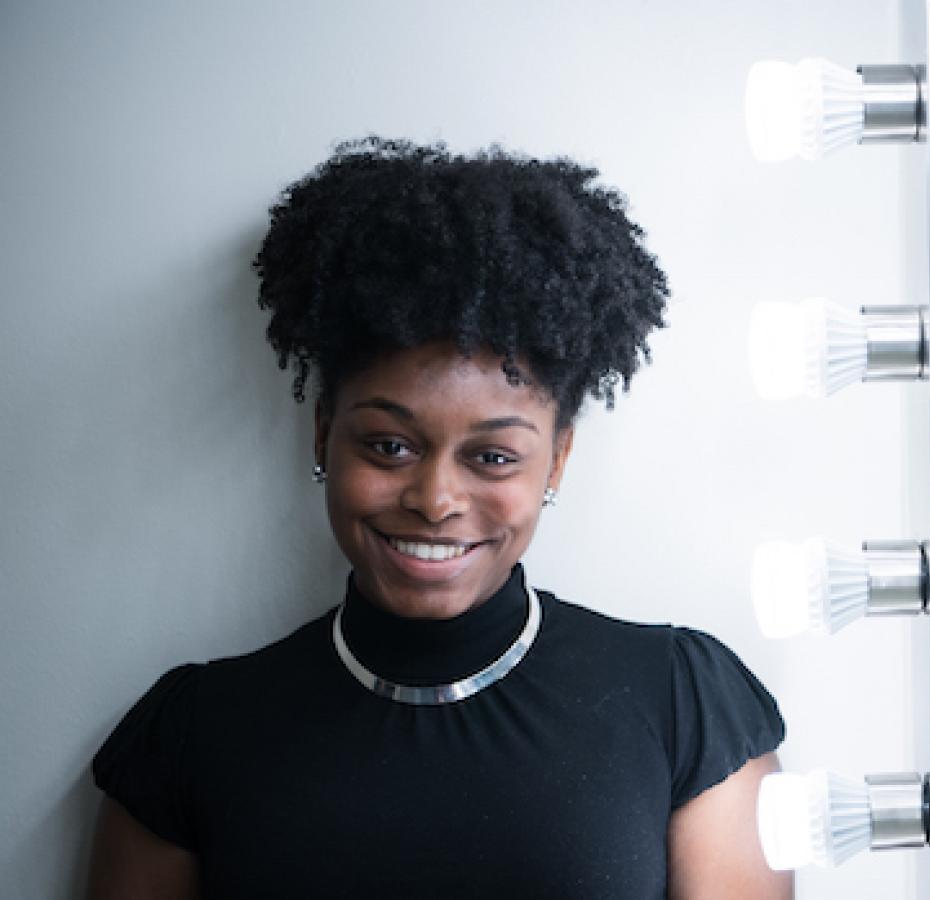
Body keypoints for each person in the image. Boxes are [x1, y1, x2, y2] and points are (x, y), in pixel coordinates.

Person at [87, 137, 792, 899]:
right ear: (323, 432)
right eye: (390, 445)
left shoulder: (684, 706)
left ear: (555, 461)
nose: (435, 498)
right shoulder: (192, 739)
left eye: (492, 457)